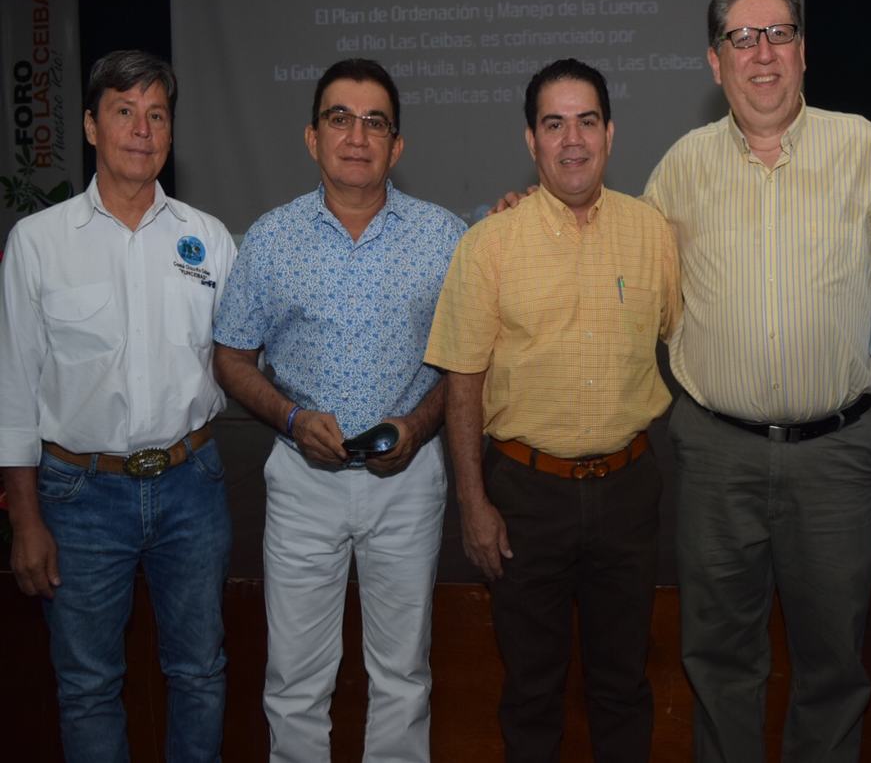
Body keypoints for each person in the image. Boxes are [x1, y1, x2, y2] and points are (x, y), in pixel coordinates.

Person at [645, 0, 871, 762]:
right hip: (715, 453)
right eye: (743, 38)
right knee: (719, 656)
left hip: (836, 455)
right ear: (714, 60)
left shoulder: (860, 147)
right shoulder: (682, 166)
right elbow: (625, 272)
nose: (762, 54)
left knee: (833, 659)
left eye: (778, 35)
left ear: (801, 51)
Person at [425, 58, 681, 763]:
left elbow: (681, 336)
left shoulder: (652, 232)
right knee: (531, 692)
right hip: (524, 497)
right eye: (553, 123)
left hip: (628, 491)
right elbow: (463, 382)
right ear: (531, 141)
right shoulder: (488, 245)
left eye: (587, 121)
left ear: (610, 133)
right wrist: (473, 504)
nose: (572, 140)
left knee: (623, 684)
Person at [212, 58, 465, 762]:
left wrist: (417, 426)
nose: (357, 136)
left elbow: (468, 364)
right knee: (293, 682)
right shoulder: (268, 238)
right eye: (339, 119)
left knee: (403, 678)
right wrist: (291, 421)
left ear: (397, 146)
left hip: (408, 482)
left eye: (374, 122)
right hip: (302, 483)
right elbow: (230, 357)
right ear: (312, 138)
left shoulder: (445, 238)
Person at [0, 50, 235, 761]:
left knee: (200, 673)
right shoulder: (39, 244)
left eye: (157, 114)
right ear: (91, 126)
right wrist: (26, 521)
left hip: (192, 488)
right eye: (124, 112)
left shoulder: (210, 239)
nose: (142, 129)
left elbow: (249, 350)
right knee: (88, 686)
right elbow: (13, 388)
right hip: (77, 496)